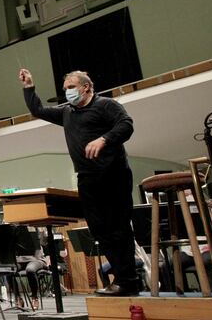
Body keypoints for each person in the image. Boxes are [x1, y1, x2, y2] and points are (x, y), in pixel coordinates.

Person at [19, 68, 140, 296]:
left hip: (113, 175)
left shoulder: (105, 105)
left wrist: (104, 139)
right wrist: (29, 87)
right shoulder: (67, 113)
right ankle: (122, 279)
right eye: (65, 89)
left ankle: (128, 280)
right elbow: (37, 110)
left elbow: (126, 124)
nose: (67, 92)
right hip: (87, 178)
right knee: (100, 230)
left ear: (85, 87)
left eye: (71, 87)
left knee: (119, 228)